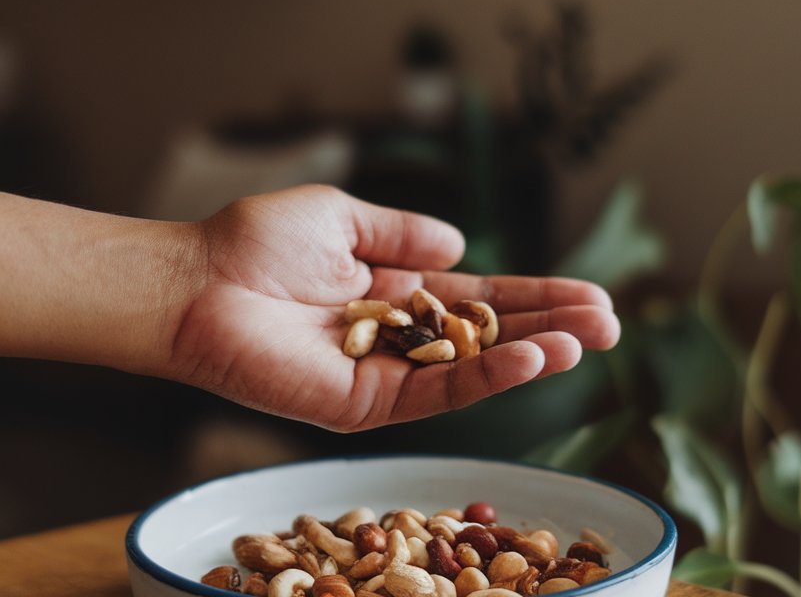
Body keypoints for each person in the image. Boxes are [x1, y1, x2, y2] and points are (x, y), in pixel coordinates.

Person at [0, 184, 620, 432]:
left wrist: (193, 284)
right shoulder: (378, 318)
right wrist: (194, 278)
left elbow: (394, 322)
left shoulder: (391, 320)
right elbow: (383, 321)